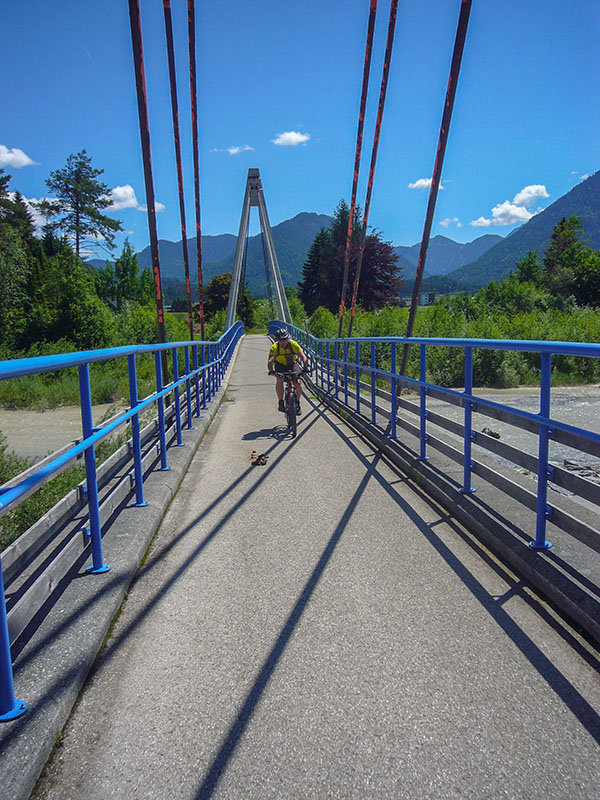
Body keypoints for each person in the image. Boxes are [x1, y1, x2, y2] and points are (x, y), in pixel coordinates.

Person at [267, 328, 308, 414]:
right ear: (277, 340)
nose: (283, 342)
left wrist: (305, 368)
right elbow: (270, 361)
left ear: (288, 338)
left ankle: (297, 402)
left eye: (285, 339)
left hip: (292, 364)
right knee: (279, 380)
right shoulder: (275, 347)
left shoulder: (293, 345)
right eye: (280, 340)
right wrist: (272, 371)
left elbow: (303, 357)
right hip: (280, 365)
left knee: (297, 383)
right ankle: (281, 402)